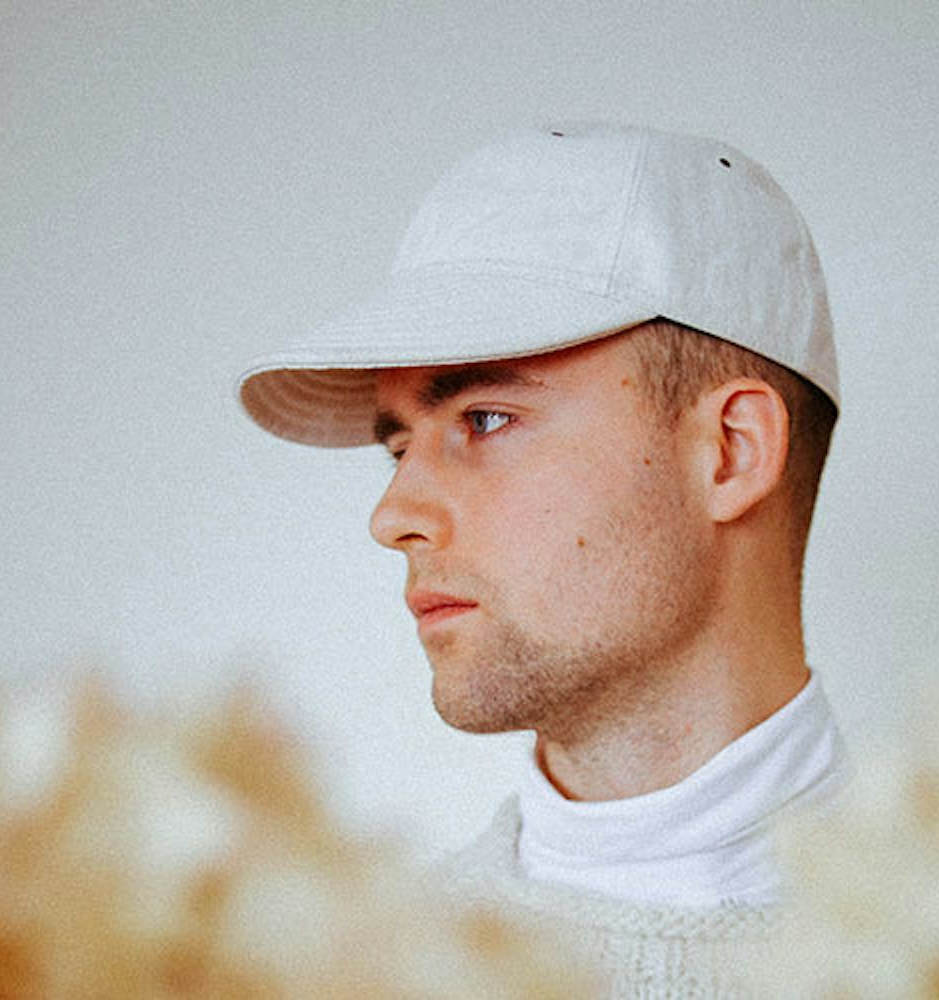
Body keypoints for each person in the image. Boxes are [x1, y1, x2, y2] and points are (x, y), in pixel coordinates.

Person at [237, 122, 851, 996]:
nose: (393, 515)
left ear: (730, 452)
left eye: (485, 420)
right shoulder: (353, 979)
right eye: (398, 447)